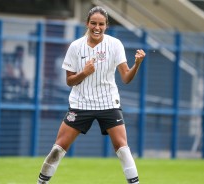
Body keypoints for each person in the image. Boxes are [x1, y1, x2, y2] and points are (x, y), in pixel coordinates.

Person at [37, 6, 146, 184]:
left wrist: (137, 64)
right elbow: (70, 81)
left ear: (106, 25)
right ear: (87, 24)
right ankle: (41, 182)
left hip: (108, 103)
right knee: (58, 148)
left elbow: (126, 78)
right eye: (93, 23)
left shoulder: (115, 44)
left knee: (123, 148)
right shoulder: (75, 47)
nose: (97, 27)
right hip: (80, 104)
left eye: (101, 24)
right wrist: (85, 72)